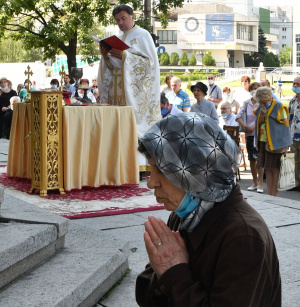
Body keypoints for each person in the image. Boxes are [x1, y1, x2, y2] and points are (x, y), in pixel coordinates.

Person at [135, 112, 281, 307]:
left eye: (162, 170)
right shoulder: (186, 214)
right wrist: (165, 268)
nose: (151, 182)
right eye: (152, 170)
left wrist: (174, 272)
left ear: (197, 171)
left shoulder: (243, 236)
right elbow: (145, 293)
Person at [97, 4, 161, 171]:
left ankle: (138, 166)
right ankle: (119, 164)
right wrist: (106, 57)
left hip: (135, 95)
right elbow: (113, 69)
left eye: (123, 18)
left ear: (133, 17)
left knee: (133, 127)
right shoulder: (117, 38)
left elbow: (150, 64)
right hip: (117, 91)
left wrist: (126, 56)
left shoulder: (142, 35)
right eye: (117, 20)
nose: (120, 22)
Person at [254, 87, 292, 196]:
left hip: (276, 143)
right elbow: (258, 122)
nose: (262, 104)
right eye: (260, 102)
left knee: (275, 169)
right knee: (268, 168)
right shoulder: (260, 108)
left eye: (264, 102)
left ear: (270, 98)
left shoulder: (279, 107)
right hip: (263, 141)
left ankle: (274, 194)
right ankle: (270, 194)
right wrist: (261, 114)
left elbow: (285, 126)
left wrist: (286, 144)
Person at [236, 82, 264, 193]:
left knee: (260, 159)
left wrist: (254, 126)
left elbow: (263, 116)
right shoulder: (246, 103)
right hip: (249, 134)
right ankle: (255, 182)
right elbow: (238, 116)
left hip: (259, 134)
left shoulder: (262, 103)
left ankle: (261, 183)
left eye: (256, 89)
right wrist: (246, 126)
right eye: (252, 88)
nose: (254, 90)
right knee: (252, 159)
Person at [288, 76, 300, 191]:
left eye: (298, 84)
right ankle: (295, 183)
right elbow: (289, 118)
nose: (295, 86)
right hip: (293, 135)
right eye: (294, 84)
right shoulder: (292, 100)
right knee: (294, 160)